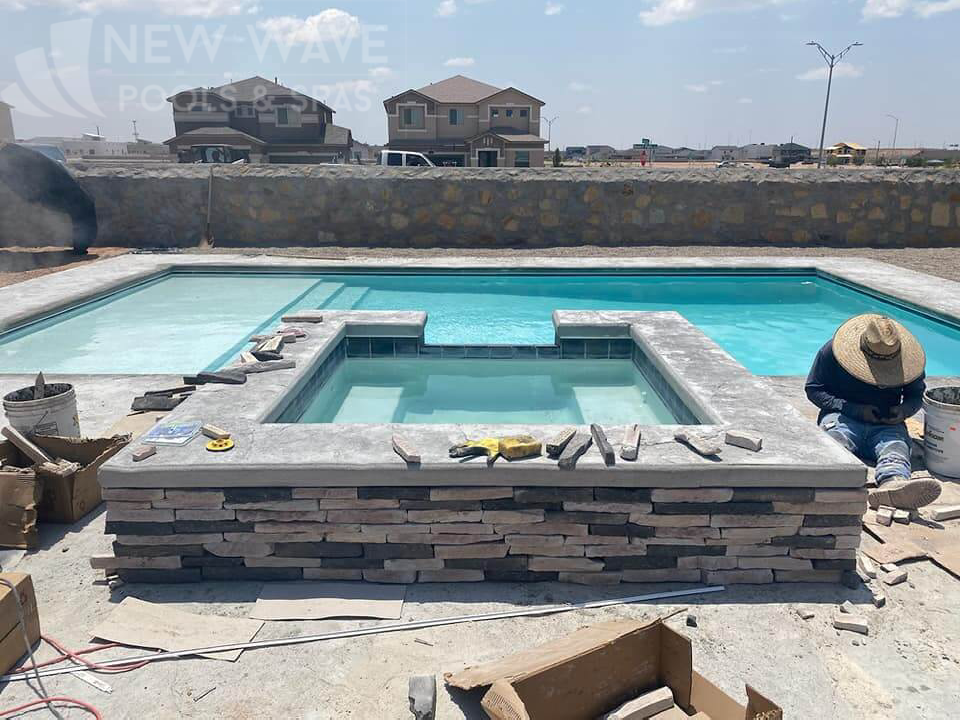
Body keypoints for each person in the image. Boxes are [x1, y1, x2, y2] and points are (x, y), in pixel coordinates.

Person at [805, 313, 941, 510]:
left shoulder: (909, 361)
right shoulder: (831, 351)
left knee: (896, 448)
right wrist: (853, 409)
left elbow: (915, 396)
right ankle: (836, 481)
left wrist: (902, 411)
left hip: (886, 424)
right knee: (835, 441)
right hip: (844, 417)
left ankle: (893, 484)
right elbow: (814, 389)